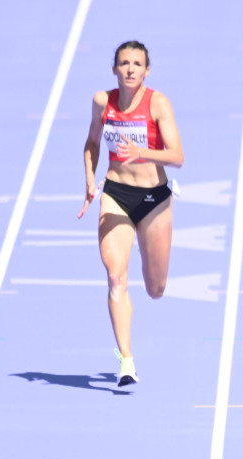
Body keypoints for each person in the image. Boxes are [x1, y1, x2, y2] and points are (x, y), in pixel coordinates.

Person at [78, 41, 183, 386]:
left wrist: (143, 151)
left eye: (137, 63)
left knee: (155, 287)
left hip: (154, 198)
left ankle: (148, 258)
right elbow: (92, 143)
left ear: (146, 70)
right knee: (115, 277)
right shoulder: (102, 102)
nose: (130, 69)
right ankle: (126, 359)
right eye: (124, 63)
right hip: (116, 194)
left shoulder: (157, 103)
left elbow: (177, 156)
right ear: (115, 69)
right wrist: (91, 181)